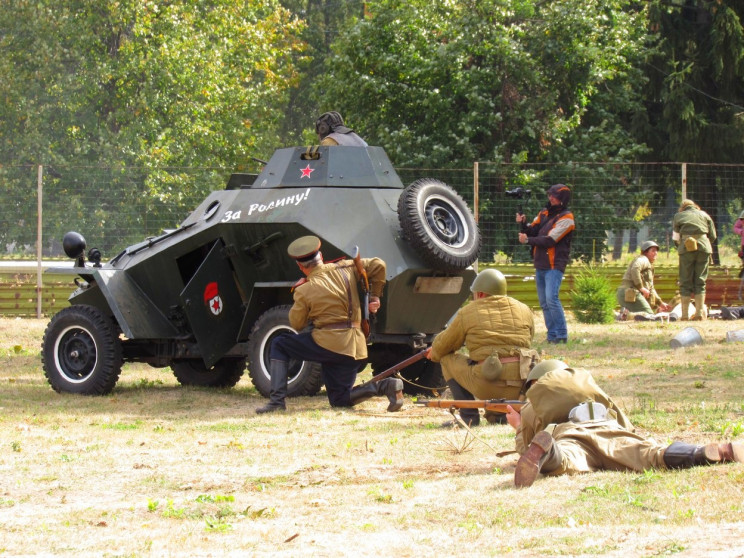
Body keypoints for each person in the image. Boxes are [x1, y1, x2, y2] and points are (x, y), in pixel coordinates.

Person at [505, 360, 743, 488]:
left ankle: (550, 453)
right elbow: (624, 424)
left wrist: (517, 425)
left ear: (536, 381)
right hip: (608, 429)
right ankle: (713, 452)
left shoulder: (533, 402)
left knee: (566, 460)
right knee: (652, 454)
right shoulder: (588, 389)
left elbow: (525, 447)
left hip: (569, 435)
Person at [255, 236, 403, 414]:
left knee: (279, 344)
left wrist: (299, 295)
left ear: (300, 266)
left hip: (328, 344)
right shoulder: (346, 268)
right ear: (321, 256)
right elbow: (379, 264)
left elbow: (297, 324)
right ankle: (385, 386)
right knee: (340, 400)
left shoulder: (304, 289)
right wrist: (375, 296)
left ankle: (277, 402)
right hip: (355, 347)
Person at [425, 268, 538, 427]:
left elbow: (443, 346)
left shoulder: (468, 312)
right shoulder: (524, 309)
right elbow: (528, 340)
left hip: (487, 382)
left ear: (481, 294)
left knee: (446, 359)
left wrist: (435, 352)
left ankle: (468, 417)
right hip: (520, 386)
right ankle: (501, 415)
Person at [517, 184, 575, 343]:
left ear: (562, 198)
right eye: (550, 194)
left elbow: (551, 240)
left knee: (551, 299)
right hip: (540, 263)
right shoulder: (544, 213)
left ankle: (561, 335)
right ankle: (552, 336)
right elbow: (532, 229)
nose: (551, 197)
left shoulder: (567, 218)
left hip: (554, 265)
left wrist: (528, 240)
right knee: (544, 302)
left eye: (554, 195)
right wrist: (524, 223)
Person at [672, 199, 716, 321]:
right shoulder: (705, 215)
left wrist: (680, 247)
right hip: (704, 248)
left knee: (685, 281)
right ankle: (699, 314)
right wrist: (703, 242)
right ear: (695, 206)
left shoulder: (678, 216)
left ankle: (685, 315)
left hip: (686, 249)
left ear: (683, 208)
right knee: (700, 281)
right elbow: (713, 236)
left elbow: (675, 238)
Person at [616, 240, 671, 321]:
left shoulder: (648, 264)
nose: (655, 253)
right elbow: (635, 268)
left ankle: (622, 315)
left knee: (645, 315)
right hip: (630, 292)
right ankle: (623, 315)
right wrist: (641, 287)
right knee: (649, 316)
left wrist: (660, 303)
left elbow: (651, 288)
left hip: (628, 293)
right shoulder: (643, 259)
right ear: (645, 252)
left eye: (656, 251)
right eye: (653, 250)